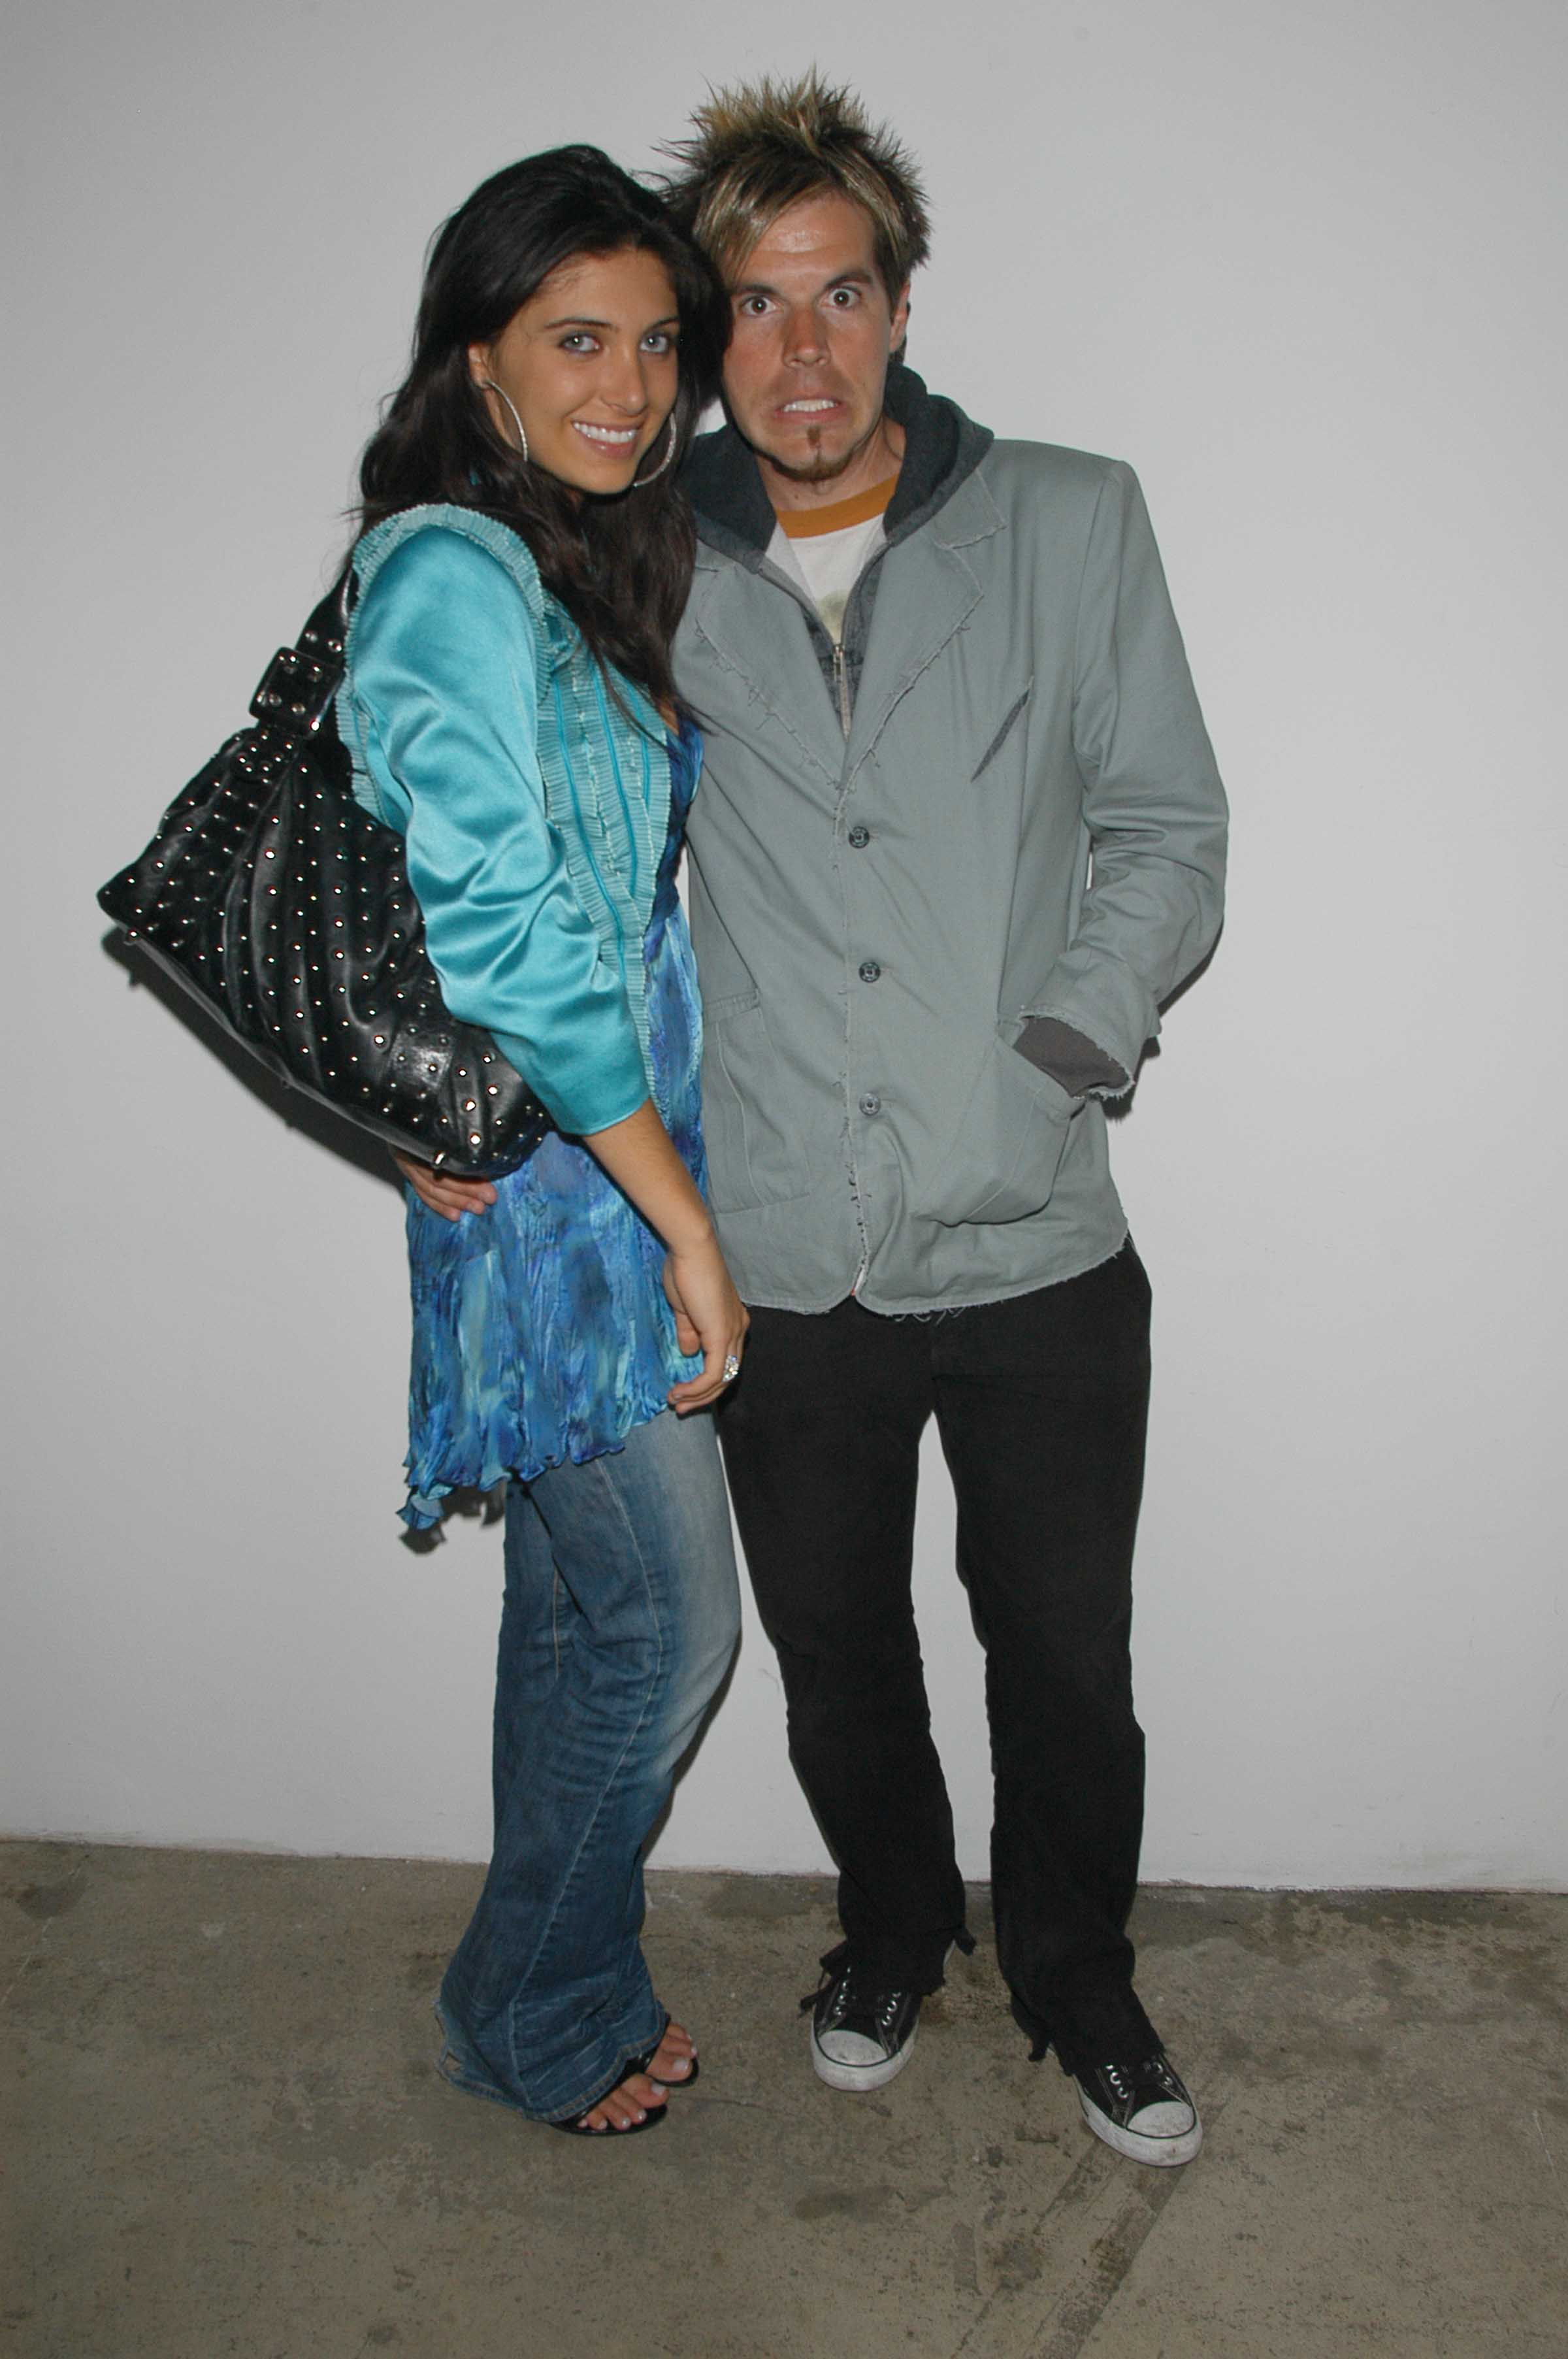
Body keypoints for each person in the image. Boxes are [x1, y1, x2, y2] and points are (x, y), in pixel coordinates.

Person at [411, 80, 1229, 2169]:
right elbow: (473, 828)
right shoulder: (630, 546)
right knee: (836, 1654)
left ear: (900, 302)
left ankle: (1079, 1971)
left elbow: (1166, 827)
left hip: (1037, 1233)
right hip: (777, 1244)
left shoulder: (1074, 518)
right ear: (712, 331)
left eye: (840, 293)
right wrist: (422, 1084)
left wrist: (1062, 1047)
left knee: (1068, 1659)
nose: (800, 351)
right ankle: (890, 1932)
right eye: (753, 306)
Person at [341, 146, 743, 2135]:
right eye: (577, 338)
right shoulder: (450, 568)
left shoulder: (563, 561)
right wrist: (683, 1222)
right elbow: (500, 932)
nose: (630, 386)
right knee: (671, 1627)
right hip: (571, 1203)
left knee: (578, 1615)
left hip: (598, 1165)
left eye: (657, 345)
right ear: (478, 357)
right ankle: (521, 1996)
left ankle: (572, 1983)